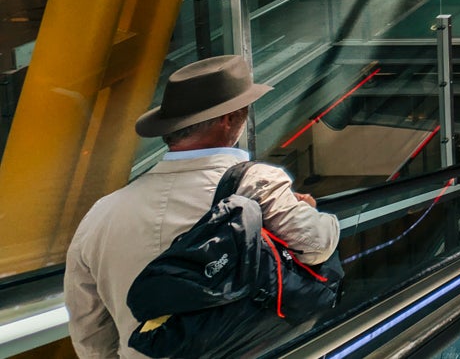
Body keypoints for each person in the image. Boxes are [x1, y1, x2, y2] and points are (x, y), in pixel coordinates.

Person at [64, 56, 339, 359]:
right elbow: (316, 245)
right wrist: (313, 211)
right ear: (230, 117)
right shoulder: (256, 182)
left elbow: (89, 331)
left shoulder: (100, 214)